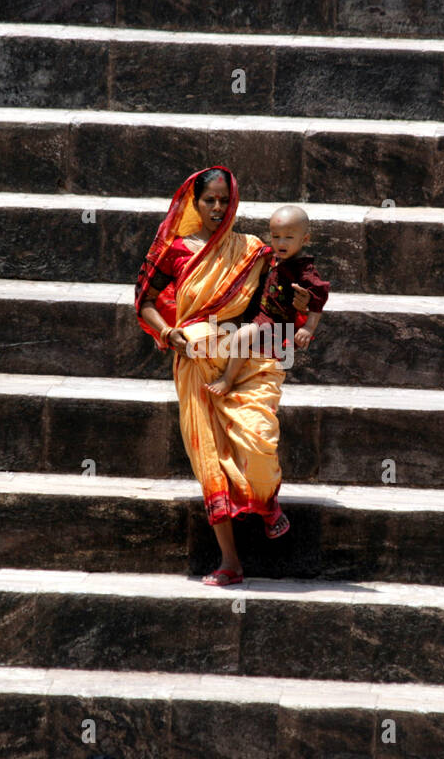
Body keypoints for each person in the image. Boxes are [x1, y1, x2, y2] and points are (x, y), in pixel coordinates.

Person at [134, 166, 290, 587]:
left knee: (257, 441)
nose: (218, 208)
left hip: (245, 361)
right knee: (210, 463)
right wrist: (169, 333)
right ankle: (229, 562)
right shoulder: (176, 249)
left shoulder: (252, 250)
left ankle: (267, 501)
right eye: (209, 200)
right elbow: (145, 301)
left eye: (224, 200)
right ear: (195, 202)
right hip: (196, 364)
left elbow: (273, 305)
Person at [206, 205, 329, 396]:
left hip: (275, 321)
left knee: (241, 337)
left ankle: (227, 379)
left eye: (289, 237)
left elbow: (319, 297)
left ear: (305, 239)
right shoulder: (274, 258)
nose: (281, 242)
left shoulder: (304, 270)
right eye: (276, 236)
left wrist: (308, 328)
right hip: (259, 311)